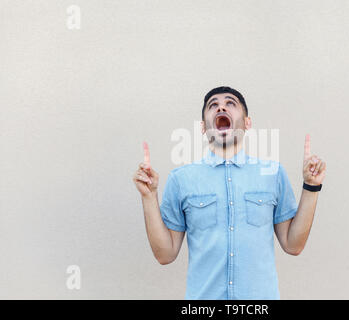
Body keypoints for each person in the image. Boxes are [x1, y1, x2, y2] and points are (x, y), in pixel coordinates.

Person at [132, 86, 326, 299]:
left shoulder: (273, 173)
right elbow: (165, 255)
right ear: (203, 127)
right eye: (212, 105)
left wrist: (311, 186)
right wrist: (148, 197)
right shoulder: (181, 179)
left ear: (247, 123)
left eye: (230, 103)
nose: (221, 107)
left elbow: (293, 245)